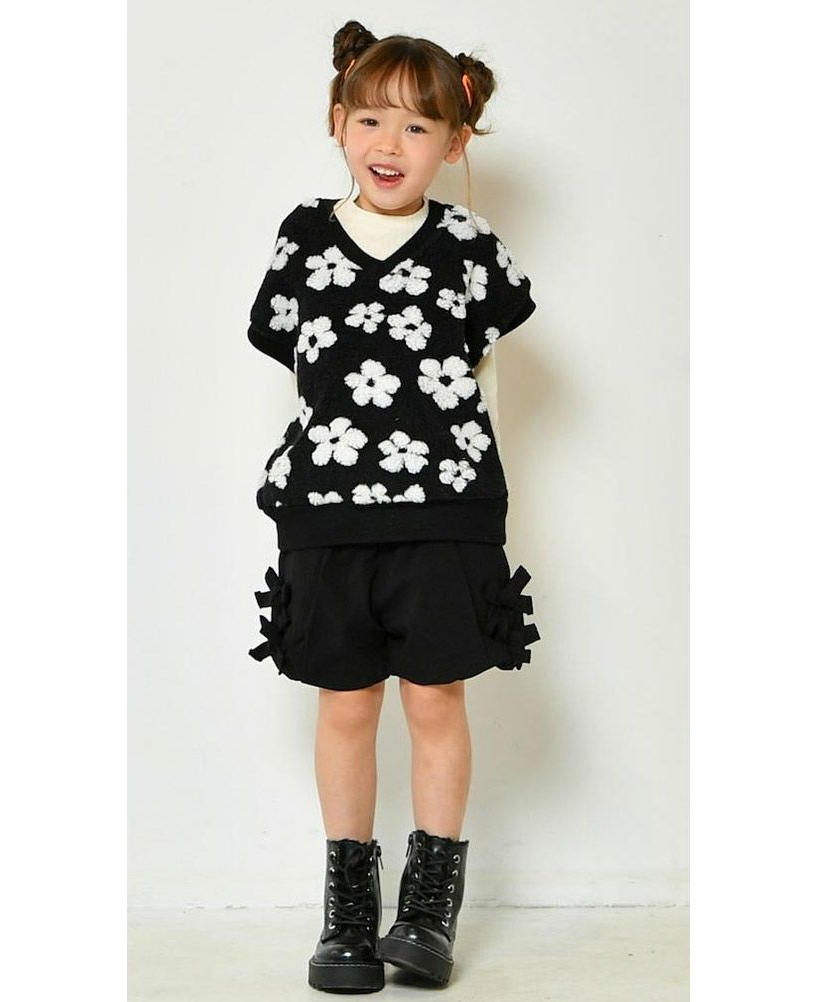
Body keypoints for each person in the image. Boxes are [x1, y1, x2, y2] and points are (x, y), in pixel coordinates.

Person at [245, 20, 542, 993]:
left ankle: (426, 915)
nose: (389, 144)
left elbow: (487, 371)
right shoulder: (304, 237)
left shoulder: (470, 247)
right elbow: (298, 365)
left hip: (446, 511)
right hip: (329, 511)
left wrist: (471, 488)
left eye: (417, 127)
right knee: (345, 705)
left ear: (455, 142)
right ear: (338, 122)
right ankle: (347, 916)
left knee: (435, 700)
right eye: (370, 119)